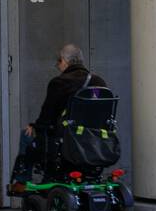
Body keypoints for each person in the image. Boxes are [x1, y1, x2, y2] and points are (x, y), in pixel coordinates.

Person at [10, 44, 107, 187]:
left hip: (65, 142)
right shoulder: (98, 82)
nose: (58, 65)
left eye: (59, 61)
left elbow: (47, 116)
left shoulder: (60, 82)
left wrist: (35, 127)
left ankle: (22, 181)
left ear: (65, 61)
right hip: (94, 141)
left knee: (26, 135)